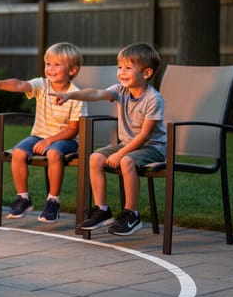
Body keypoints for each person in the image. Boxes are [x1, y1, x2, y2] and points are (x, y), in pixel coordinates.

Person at [53, 42, 165, 236]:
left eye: (128, 68)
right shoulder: (120, 90)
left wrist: (122, 153)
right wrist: (70, 94)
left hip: (152, 147)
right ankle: (102, 210)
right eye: (119, 67)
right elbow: (96, 93)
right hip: (127, 145)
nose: (121, 72)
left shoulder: (153, 99)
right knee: (95, 158)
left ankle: (132, 214)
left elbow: (145, 135)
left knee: (127, 161)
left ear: (146, 73)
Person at [0, 42, 86, 223]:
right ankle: (23, 198)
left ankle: (53, 201)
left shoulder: (76, 94)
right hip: (38, 136)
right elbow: (19, 85)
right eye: (48, 64)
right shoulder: (41, 85)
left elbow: (74, 129)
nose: (50, 69)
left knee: (53, 153)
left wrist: (49, 140)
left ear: (72, 70)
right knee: (18, 153)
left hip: (66, 139)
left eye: (57, 64)